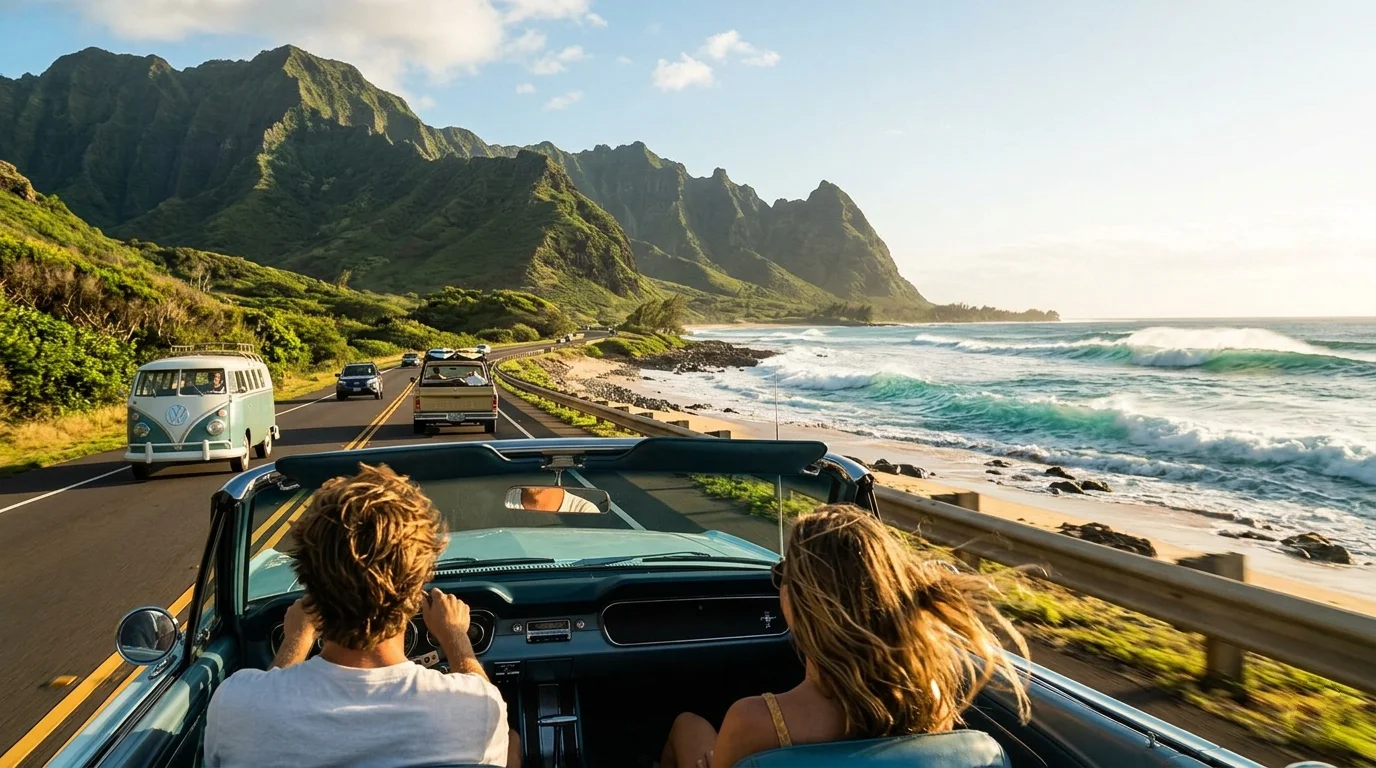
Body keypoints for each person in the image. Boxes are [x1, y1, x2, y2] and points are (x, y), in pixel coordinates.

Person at [660, 505, 1029, 768]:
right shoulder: (932, 696)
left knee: (686, 724)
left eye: (784, 572)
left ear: (804, 602)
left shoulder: (757, 721)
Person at [204, 463, 520, 768]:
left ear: (309, 585)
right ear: (417, 588)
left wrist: (295, 642)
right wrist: (455, 636)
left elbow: (264, 706)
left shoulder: (236, 704)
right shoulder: (479, 707)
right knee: (513, 743)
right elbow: (482, 695)